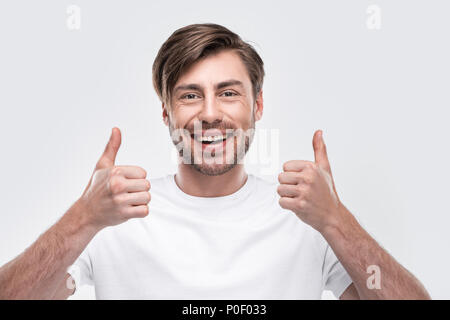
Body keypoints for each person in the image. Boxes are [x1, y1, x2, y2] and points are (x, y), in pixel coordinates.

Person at [0, 23, 430, 299]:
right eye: (190, 95)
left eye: (228, 92)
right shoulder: (115, 217)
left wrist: (336, 220)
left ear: (257, 105)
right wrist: (82, 219)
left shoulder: (307, 219)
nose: (209, 112)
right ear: (166, 112)